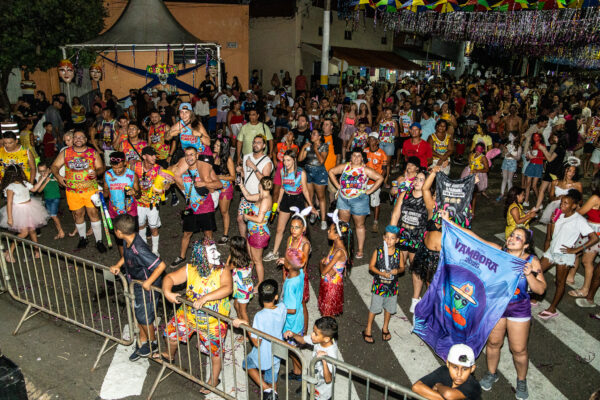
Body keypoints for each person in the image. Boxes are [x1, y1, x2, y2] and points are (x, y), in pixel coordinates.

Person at [440, 209, 545, 400]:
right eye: (512, 235)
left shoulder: (531, 261)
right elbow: (474, 239)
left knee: (518, 349)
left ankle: (521, 381)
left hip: (518, 309)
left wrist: (529, 274)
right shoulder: (498, 252)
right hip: (496, 308)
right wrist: (449, 222)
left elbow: (540, 289)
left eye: (518, 238)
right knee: (494, 343)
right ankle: (491, 373)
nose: (512, 238)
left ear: (526, 245)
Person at [161, 239, 232, 394]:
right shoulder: (190, 269)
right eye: (212, 251)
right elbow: (169, 278)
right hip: (188, 316)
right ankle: (169, 355)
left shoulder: (223, 270)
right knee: (171, 336)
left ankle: (214, 380)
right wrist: (167, 292)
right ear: (202, 256)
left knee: (215, 353)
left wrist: (205, 298)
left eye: (216, 249)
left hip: (213, 322)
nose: (218, 253)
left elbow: (228, 288)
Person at [109, 214, 166, 361]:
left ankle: (153, 343)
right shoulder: (129, 240)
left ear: (119, 232)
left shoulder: (139, 249)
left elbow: (161, 266)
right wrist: (118, 265)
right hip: (136, 284)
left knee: (144, 316)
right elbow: (126, 256)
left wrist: (148, 282)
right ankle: (142, 342)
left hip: (146, 287)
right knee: (139, 314)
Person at [537, 189, 598, 320]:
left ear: (574, 205)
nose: (562, 205)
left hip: (564, 255)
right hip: (552, 251)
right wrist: (553, 221)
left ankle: (552, 308)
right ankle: (534, 297)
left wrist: (576, 250)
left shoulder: (579, 220)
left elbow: (594, 238)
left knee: (560, 283)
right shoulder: (559, 214)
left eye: (566, 203)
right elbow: (554, 234)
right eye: (562, 202)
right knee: (537, 272)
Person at [51, 130, 106, 252]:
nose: (78, 139)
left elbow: (101, 168)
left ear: (86, 139)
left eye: (81, 137)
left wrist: (96, 172)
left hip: (90, 190)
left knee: (93, 214)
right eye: (76, 137)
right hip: (73, 191)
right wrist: (58, 176)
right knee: (78, 214)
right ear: (73, 139)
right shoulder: (66, 152)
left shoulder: (92, 152)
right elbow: (54, 166)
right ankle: (83, 238)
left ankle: (99, 241)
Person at [390, 167, 435, 313]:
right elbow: (395, 215)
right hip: (402, 237)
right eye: (416, 179)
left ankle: (415, 299)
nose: (417, 181)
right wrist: (391, 235)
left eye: (422, 180)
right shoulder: (405, 194)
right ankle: (390, 292)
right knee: (396, 264)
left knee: (416, 270)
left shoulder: (429, 200)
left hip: (418, 240)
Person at [233, 279, 286, 400]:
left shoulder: (260, 316)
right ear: (276, 297)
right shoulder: (282, 307)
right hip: (278, 349)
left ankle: (266, 389)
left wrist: (246, 325)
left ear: (260, 299)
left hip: (264, 351)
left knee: (247, 364)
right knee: (272, 377)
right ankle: (273, 394)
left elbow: (256, 342)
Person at [328, 149, 383, 259]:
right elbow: (331, 171)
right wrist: (338, 186)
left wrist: (369, 191)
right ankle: (342, 247)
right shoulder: (345, 167)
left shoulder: (365, 169)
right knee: (343, 225)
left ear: (362, 158)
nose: (356, 158)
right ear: (351, 157)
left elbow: (380, 178)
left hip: (360, 201)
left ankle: (360, 249)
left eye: (359, 156)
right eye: (354, 155)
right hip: (343, 199)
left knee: (359, 225)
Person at [171, 146, 222, 266]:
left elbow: (219, 184)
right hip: (191, 207)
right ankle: (182, 256)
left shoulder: (205, 170)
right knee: (187, 233)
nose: (189, 157)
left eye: (192, 154)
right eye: (187, 155)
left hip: (206, 206)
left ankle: (212, 259)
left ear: (197, 156)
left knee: (208, 234)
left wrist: (204, 183)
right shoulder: (183, 172)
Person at [264, 150, 316, 261]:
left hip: (298, 199)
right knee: (279, 228)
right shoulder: (283, 171)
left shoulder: (301, 173)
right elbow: (282, 187)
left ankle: (303, 251)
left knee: (300, 229)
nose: (285, 163)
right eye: (284, 160)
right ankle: (275, 252)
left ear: (294, 160)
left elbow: (305, 191)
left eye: (288, 160)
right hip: (286, 199)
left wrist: (311, 206)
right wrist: (278, 202)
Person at [362, 225, 403, 344]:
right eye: (387, 237)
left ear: (397, 240)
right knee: (374, 308)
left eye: (392, 238)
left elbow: (402, 267)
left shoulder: (399, 253)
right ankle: (368, 328)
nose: (389, 241)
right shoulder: (379, 251)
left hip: (392, 287)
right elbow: (371, 267)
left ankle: (385, 327)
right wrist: (381, 273)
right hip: (379, 286)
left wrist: (397, 271)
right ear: (383, 237)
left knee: (389, 308)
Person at [0, 165, 49, 262]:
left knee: (32, 231)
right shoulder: (10, 187)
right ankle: (10, 252)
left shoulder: (24, 183)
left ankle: (36, 251)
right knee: (24, 233)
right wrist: (10, 218)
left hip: (30, 208)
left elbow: (34, 189)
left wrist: (43, 178)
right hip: (19, 211)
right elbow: (9, 203)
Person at [284, 316, 339, 400]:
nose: (312, 335)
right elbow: (303, 340)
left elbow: (328, 379)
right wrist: (293, 335)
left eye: (315, 334)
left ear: (326, 339)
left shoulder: (332, 354)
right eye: (313, 331)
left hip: (323, 394)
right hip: (313, 383)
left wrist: (324, 360)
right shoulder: (319, 340)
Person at [277, 206, 312, 334]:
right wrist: (284, 275)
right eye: (291, 227)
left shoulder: (305, 244)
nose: (293, 230)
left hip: (299, 274)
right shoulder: (290, 239)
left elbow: (303, 265)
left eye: (297, 227)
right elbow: (287, 256)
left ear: (303, 229)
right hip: (289, 271)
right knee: (288, 299)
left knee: (301, 303)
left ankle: (304, 330)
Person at [412, 343, 481, 400]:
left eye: (464, 369)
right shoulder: (444, 371)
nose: (459, 374)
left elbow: (448, 395)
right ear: (448, 364)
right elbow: (416, 387)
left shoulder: (473, 385)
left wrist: (438, 386)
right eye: (455, 367)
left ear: (472, 369)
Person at [236, 134, 273, 238]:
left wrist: (254, 167)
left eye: (259, 143)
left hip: (258, 197)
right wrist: (240, 172)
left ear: (264, 146)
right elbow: (246, 175)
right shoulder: (246, 156)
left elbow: (265, 183)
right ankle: (244, 242)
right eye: (254, 142)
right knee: (240, 219)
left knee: (254, 222)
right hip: (246, 194)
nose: (255, 144)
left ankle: (252, 241)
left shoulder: (267, 162)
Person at [103, 151, 140, 255]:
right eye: (114, 168)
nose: (117, 171)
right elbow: (105, 194)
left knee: (133, 238)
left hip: (130, 212)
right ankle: (124, 261)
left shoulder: (132, 175)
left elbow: (139, 194)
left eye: (119, 167)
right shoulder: (107, 175)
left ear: (125, 163)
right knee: (119, 240)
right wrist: (100, 193)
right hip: (115, 212)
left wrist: (135, 192)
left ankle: (135, 258)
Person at [569, 176, 600, 299]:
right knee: (577, 253)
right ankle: (570, 276)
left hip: (593, 232)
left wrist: (574, 207)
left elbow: (580, 212)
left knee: (587, 261)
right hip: (591, 230)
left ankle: (585, 289)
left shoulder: (595, 198)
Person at [319, 210, 354, 317]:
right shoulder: (335, 245)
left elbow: (324, 271)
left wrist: (321, 263)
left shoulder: (339, 252)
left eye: (330, 230)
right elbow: (328, 266)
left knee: (327, 314)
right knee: (327, 312)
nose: (328, 231)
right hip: (328, 282)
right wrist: (325, 263)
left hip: (332, 286)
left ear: (337, 236)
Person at [280, 247, 306, 382]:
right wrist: (285, 263)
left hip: (291, 324)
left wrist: (276, 308)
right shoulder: (300, 272)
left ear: (289, 266)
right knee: (293, 350)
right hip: (298, 320)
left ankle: (304, 374)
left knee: (292, 351)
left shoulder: (290, 285)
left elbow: (291, 310)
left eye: (286, 259)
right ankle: (297, 371)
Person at [241, 177, 273, 286]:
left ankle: (260, 283)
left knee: (257, 260)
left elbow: (259, 219)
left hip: (259, 234)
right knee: (251, 258)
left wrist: (246, 216)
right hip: (252, 231)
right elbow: (248, 196)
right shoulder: (261, 196)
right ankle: (247, 275)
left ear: (260, 185)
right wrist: (241, 185)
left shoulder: (265, 200)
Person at [298, 129, 329, 229]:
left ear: (319, 136)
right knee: (308, 196)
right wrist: (304, 147)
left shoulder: (324, 146)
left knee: (321, 197)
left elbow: (321, 161)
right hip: (308, 171)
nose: (312, 135)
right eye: (312, 133)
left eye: (314, 134)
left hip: (319, 172)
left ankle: (323, 220)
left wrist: (315, 149)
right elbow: (300, 159)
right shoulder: (308, 146)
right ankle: (307, 217)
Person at [364, 132, 388, 232]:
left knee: (375, 202)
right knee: (363, 201)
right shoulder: (365, 151)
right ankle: (362, 221)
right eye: (370, 139)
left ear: (377, 141)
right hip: (364, 181)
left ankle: (375, 222)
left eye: (373, 139)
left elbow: (384, 169)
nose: (371, 141)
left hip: (375, 182)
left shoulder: (382, 154)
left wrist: (380, 180)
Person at [212, 138, 235, 245]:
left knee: (224, 212)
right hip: (214, 187)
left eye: (217, 145)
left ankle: (225, 235)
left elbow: (233, 177)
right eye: (215, 144)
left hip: (225, 188)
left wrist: (220, 177)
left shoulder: (228, 159)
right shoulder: (214, 156)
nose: (215, 146)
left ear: (223, 147)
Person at [34, 162, 64, 240]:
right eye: (40, 171)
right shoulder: (40, 178)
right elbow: (39, 190)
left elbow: (62, 185)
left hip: (55, 198)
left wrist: (57, 181)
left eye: (44, 171)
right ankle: (59, 232)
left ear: (48, 169)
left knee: (53, 216)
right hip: (47, 198)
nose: (42, 173)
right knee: (52, 216)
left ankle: (61, 232)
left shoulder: (54, 175)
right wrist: (46, 181)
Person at [460, 142, 489, 215]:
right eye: (477, 148)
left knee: (474, 193)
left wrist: (477, 170)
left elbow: (487, 169)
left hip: (477, 175)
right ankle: (464, 207)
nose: (478, 151)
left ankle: (472, 210)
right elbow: (469, 163)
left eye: (480, 149)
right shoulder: (471, 155)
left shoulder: (483, 158)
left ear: (483, 150)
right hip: (469, 173)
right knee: (465, 191)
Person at [497, 132, 521, 202]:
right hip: (505, 161)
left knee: (509, 180)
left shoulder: (518, 146)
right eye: (509, 135)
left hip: (512, 163)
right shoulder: (506, 144)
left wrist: (511, 155)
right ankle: (501, 194)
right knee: (504, 179)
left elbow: (518, 158)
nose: (509, 136)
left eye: (511, 135)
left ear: (515, 137)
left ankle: (510, 195)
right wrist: (503, 152)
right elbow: (503, 155)